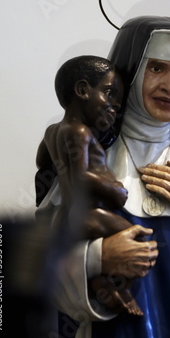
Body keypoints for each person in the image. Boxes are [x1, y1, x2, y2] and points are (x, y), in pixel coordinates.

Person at [36, 16, 170, 338]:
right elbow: (43, 263)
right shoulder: (84, 155)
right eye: (157, 68)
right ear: (129, 73)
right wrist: (98, 257)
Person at [35, 55, 147, 317]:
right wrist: (115, 191)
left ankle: (100, 282)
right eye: (109, 94)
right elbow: (80, 178)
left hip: (67, 216)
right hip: (86, 215)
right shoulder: (81, 133)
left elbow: (43, 163)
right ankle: (118, 290)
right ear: (83, 90)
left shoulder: (53, 131)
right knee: (140, 238)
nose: (115, 105)